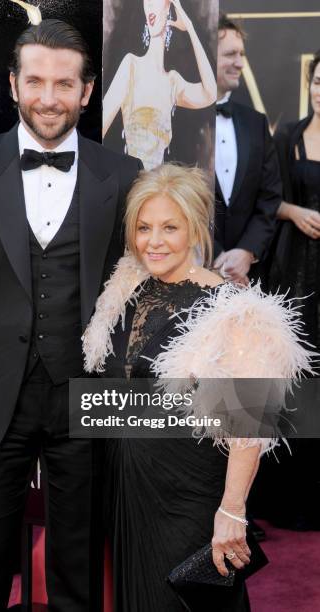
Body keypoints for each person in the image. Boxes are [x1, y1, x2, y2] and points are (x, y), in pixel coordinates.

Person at [0, 19, 142, 611]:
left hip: (88, 403)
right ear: (12, 85)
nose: (47, 98)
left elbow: (144, 289)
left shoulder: (122, 174)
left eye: (64, 84)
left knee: (80, 577)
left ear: (87, 92)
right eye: (34, 81)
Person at [82, 163, 312, 612]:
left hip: (189, 495)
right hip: (128, 488)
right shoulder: (124, 289)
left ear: (196, 228)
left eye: (170, 227)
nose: (154, 241)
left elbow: (249, 427)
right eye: (144, 227)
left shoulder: (231, 311)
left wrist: (232, 511)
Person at [258, 51, 320, 532]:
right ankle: (289, 498)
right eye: (318, 82)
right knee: (295, 381)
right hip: (295, 270)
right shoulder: (288, 136)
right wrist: (296, 213)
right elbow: (268, 197)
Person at [103, 0, 216, 170]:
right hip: (133, 186)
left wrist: (190, 27)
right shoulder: (131, 65)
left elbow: (210, 93)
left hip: (160, 187)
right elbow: (101, 127)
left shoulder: (172, 82)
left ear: (169, 7)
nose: (150, 7)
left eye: (156, 1)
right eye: (146, 1)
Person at [213, 14, 282, 286]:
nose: (240, 63)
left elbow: (270, 197)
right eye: (231, 54)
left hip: (248, 278)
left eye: (242, 54)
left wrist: (247, 252)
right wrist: (215, 254)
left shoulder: (256, 123)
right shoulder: (178, 121)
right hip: (189, 272)